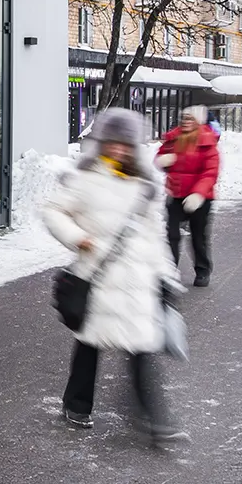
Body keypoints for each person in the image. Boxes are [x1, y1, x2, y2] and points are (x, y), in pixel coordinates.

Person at [44, 108, 186, 443]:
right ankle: (76, 405)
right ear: (102, 142)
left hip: (136, 281)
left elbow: (155, 236)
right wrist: (78, 237)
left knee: (140, 349)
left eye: (126, 144)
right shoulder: (85, 178)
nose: (119, 149)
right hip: (98, 278)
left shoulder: (143, 187)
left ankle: (156, 421)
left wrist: (166, 275)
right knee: (90, 344)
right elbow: (53, 210)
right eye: (113, 142)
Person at [156, 104, 220, 287]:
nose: (186, 121)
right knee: (172, 235)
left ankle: (202, 271)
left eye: (190, 118)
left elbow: (210, 172)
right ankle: (169, 271)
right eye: (183, 118)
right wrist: (163, 161)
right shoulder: (174, 138)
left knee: (198, 237)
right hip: (176, 195)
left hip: (201, 199)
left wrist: (198, 195)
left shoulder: (208, 143)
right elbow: (160, 156)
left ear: (198, 121)